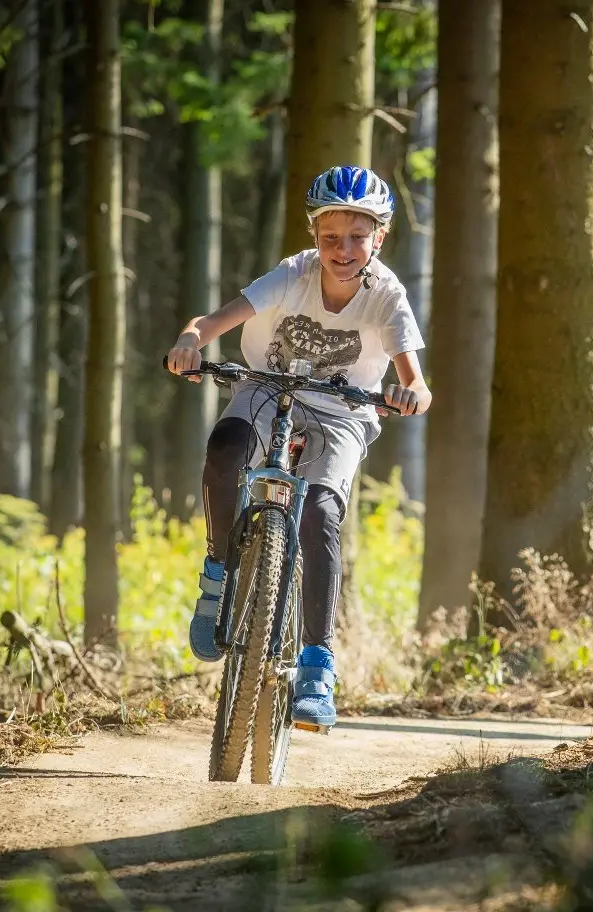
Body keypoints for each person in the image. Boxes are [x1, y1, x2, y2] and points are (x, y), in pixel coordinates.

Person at [164, 165, 431, 729]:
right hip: (268, 388)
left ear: (378, 238)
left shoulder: (387, 296)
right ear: (314, 237)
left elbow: (416, 381)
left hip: (343, 411)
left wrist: (409, 393)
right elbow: (210, 323)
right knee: (226, 445)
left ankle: (316, 663)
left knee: (320, 511)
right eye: (330, 236)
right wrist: (191, 341)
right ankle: (218, 574)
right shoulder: (293, 274)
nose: (343, 249)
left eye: (358, 236)